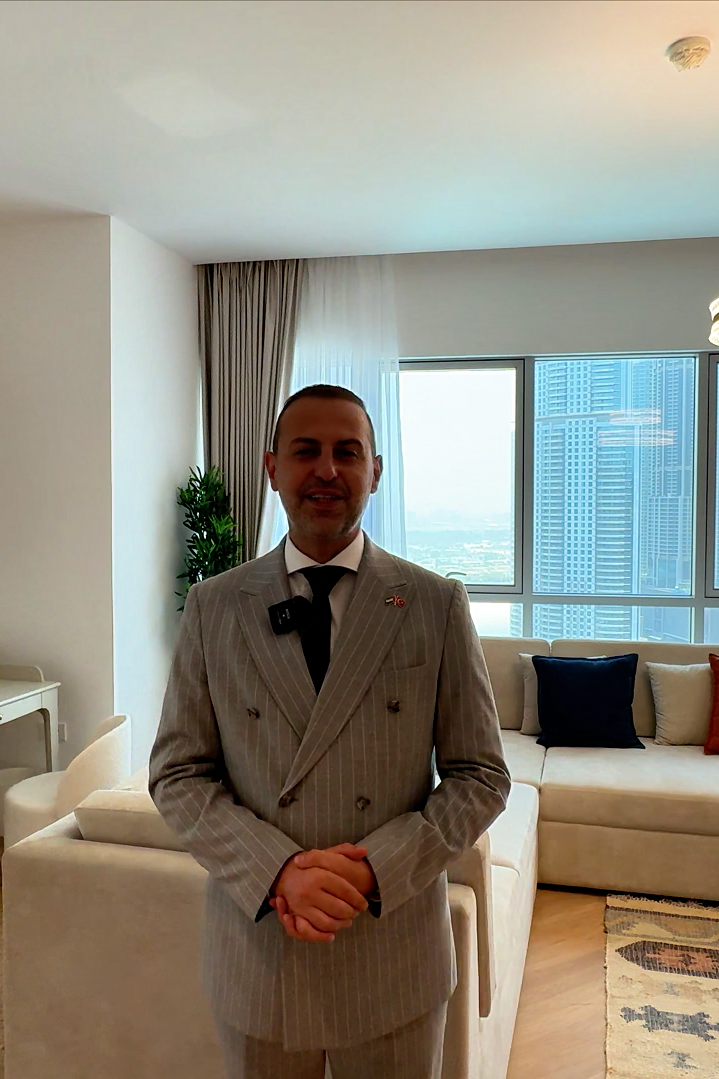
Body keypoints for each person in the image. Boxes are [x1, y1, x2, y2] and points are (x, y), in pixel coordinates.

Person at [150, 384, 511, 1079]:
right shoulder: (214, 605)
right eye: (305, 451)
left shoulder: (432, 602)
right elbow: (177, 773)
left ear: (375, 471)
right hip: (260, 952)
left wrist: (375, 868)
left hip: (391, 951)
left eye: (347, 452)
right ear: (271, 469)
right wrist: (277, 870)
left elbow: (481, 775)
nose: (326, 469)